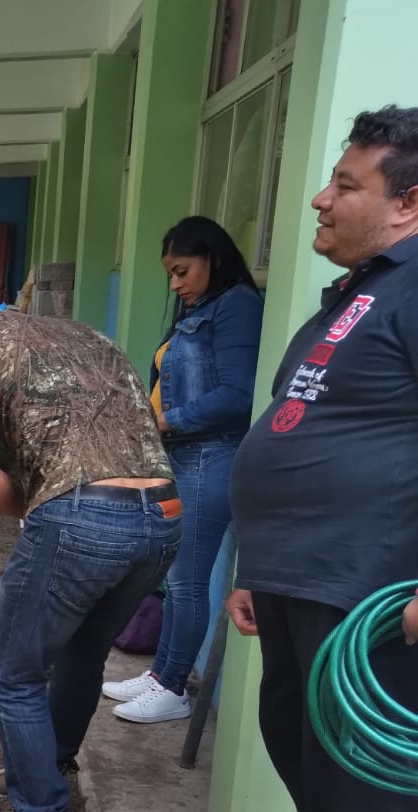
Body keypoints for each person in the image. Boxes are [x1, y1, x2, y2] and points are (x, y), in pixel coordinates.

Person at [226, 106, 418, 812]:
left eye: (347, 185)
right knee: (300, 743)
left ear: (410, 204)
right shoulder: (365, 289)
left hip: (371, 590)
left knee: (357, 770)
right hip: (305, 577)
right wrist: (258, 565)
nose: (321, 196)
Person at [0, 309, 181, 812]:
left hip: (83, 512)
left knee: (18, 675)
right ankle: (51, 766)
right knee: (83, 653)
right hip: (166, 515)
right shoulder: (88, 335)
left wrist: (36, 513)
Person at [104, 217, 263, 724]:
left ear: (212, 259)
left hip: (211, 456)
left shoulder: (236, 307)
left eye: (182, 270)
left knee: (190, 582)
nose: (175, 284)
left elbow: (238, 396)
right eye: (171, 274)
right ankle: (160, 674)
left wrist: (167, 420)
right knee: (178, 580)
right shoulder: (202, 308)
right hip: (186, 456)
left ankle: (172, 688)